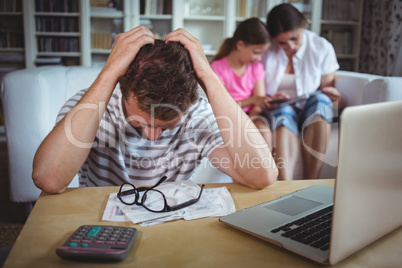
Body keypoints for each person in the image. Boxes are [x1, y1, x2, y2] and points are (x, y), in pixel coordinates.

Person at [32, 26, 278, 193]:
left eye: (166, 126)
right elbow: (49, 179)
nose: (151, 137)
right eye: (140, 122)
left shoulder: (197, 115)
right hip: (101, 226)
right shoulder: (91, 107)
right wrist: (109, 72)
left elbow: (262, 176)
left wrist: (209, 77)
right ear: (122, 88)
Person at [262, 3, 344, 181]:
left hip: (310, 109)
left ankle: (311, 182)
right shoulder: (266, 51)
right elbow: (255, 89)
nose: (290, 46)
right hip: (279, 109)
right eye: (282, 42)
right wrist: (268, 98)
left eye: (294, 38)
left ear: (303, 26)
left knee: (321, 100)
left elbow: (328, 93)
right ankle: (286, 187)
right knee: (282, 113)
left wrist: (336, 98)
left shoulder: (321, 47)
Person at [211, 18, 272, 149]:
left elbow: (258, 104)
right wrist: (252, 100)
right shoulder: (218, 68)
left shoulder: (256, 67)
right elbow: (222, 106)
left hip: (251, 117)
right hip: (227, 117)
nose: (259, 58)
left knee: (264, 131)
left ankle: (269, 168)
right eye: (256, 53)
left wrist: (249, 121)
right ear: (240, 45)